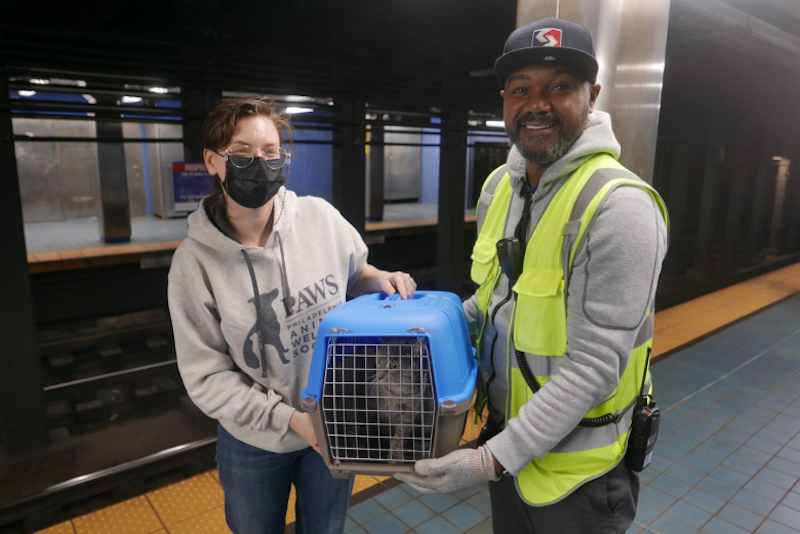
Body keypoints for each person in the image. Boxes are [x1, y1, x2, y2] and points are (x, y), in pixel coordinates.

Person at [396, 18, 669, 534]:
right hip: (511, 448)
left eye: (560, 87)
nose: (536, 103)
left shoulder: (620, 206)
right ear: (504, 100)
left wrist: (488, 461)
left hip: (579, 476)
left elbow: (595, 367)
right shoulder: (501, 187)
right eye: (521, 89)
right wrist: (417, 328)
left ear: (593, 97)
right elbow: (493, 302)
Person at [167, 96, 416, 534]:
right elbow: (206, 377)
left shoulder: (319, 218)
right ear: (212, 160)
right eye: (242, 153)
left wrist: (380, 279)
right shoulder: (194, 263)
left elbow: (354, 274)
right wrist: (289, 420)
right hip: (254, 440)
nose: (259, 164)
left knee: (325, 528)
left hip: (336, 419)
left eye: (270, 153)